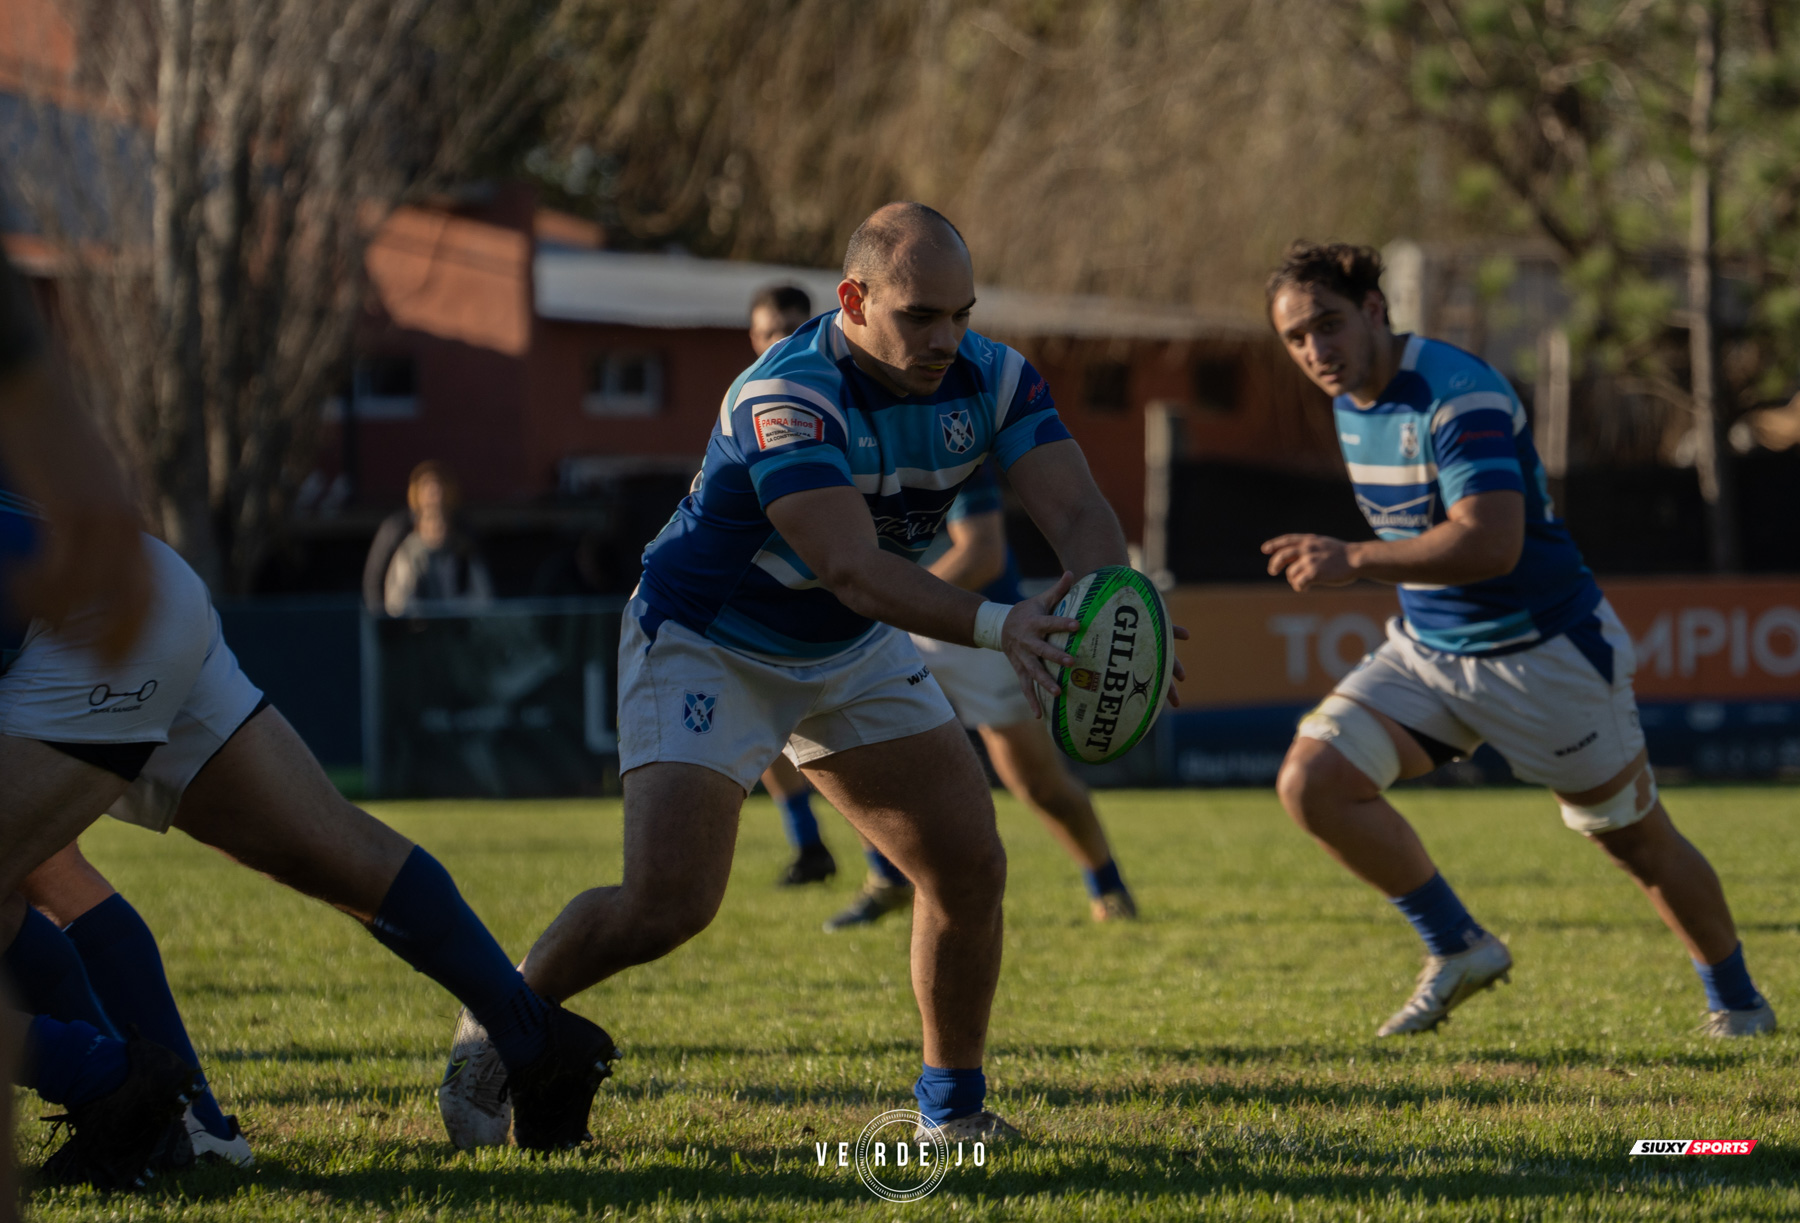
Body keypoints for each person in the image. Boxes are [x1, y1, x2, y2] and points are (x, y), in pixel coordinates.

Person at [438, 202, 1183, 1148]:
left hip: (849, 645)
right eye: (921, 316)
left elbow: (1078, 509)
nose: (948, 339)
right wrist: (1008, 627)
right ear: (854, 298)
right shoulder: (784, 392)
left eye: (963, 313)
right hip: (711, 640)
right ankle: (498, 1022)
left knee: (965, 863)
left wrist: (1113, 608)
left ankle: (949, 1117)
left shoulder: (993, 378)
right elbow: (851, 565)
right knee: (667, 904)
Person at [0, 523, 619, 1184]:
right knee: (330, 845)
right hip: (145, 579)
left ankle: (112, 1085)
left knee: (35, 868)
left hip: (79, 619)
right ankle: (526, 1032)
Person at [1262, 241, 1774, 1039]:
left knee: (1637, 844)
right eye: (1295, 338)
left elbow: (1490, 543)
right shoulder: (1349, 400)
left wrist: (1353, 559)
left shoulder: (1455, 394)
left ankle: (1739, 1003)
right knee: (1312, 781)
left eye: (1327, 324)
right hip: (1430, 650)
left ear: (1373, 309)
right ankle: (1457, 944)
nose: (1315, 350)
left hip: (1545, 655)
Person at [826, 461, 1139, 929]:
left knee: (1037, 783)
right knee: (851, 754)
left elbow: (982, 554)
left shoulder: (944, 432)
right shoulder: (825, 434)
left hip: (979, 621)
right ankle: (887, 878)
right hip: (882, 622)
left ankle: (1107, 885)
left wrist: (890, 600)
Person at [746, 284, 839, 887]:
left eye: (793, 326)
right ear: (751, 340)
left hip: (850, 604)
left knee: (850, 754)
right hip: (764, 608)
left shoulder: (835, 402)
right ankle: (810, 848)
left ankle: (888, 866)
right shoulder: (744, 405)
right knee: (767, 740)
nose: (781, 340)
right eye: (768, 331)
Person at [365, 461, 492, 616]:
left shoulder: (463, 546)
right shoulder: (403, 543)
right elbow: (391, 595)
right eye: (426, 487)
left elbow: (482, 598)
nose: (433, 493)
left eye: (438, 487)